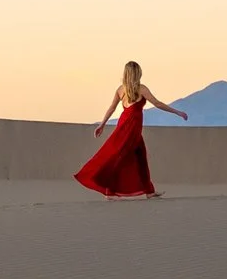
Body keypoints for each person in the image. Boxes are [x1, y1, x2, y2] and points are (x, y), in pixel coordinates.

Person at [75, 60, 187, 197]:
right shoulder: (141, 89)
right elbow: (156, 103)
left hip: (131, 127)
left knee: (140, 158)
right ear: (137, 73)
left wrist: (102, 124)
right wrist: (177, 112)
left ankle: (149, 191)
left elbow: (112, 108)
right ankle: (109, 191)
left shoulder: (122, 89)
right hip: (129, 128)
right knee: (119, 157)